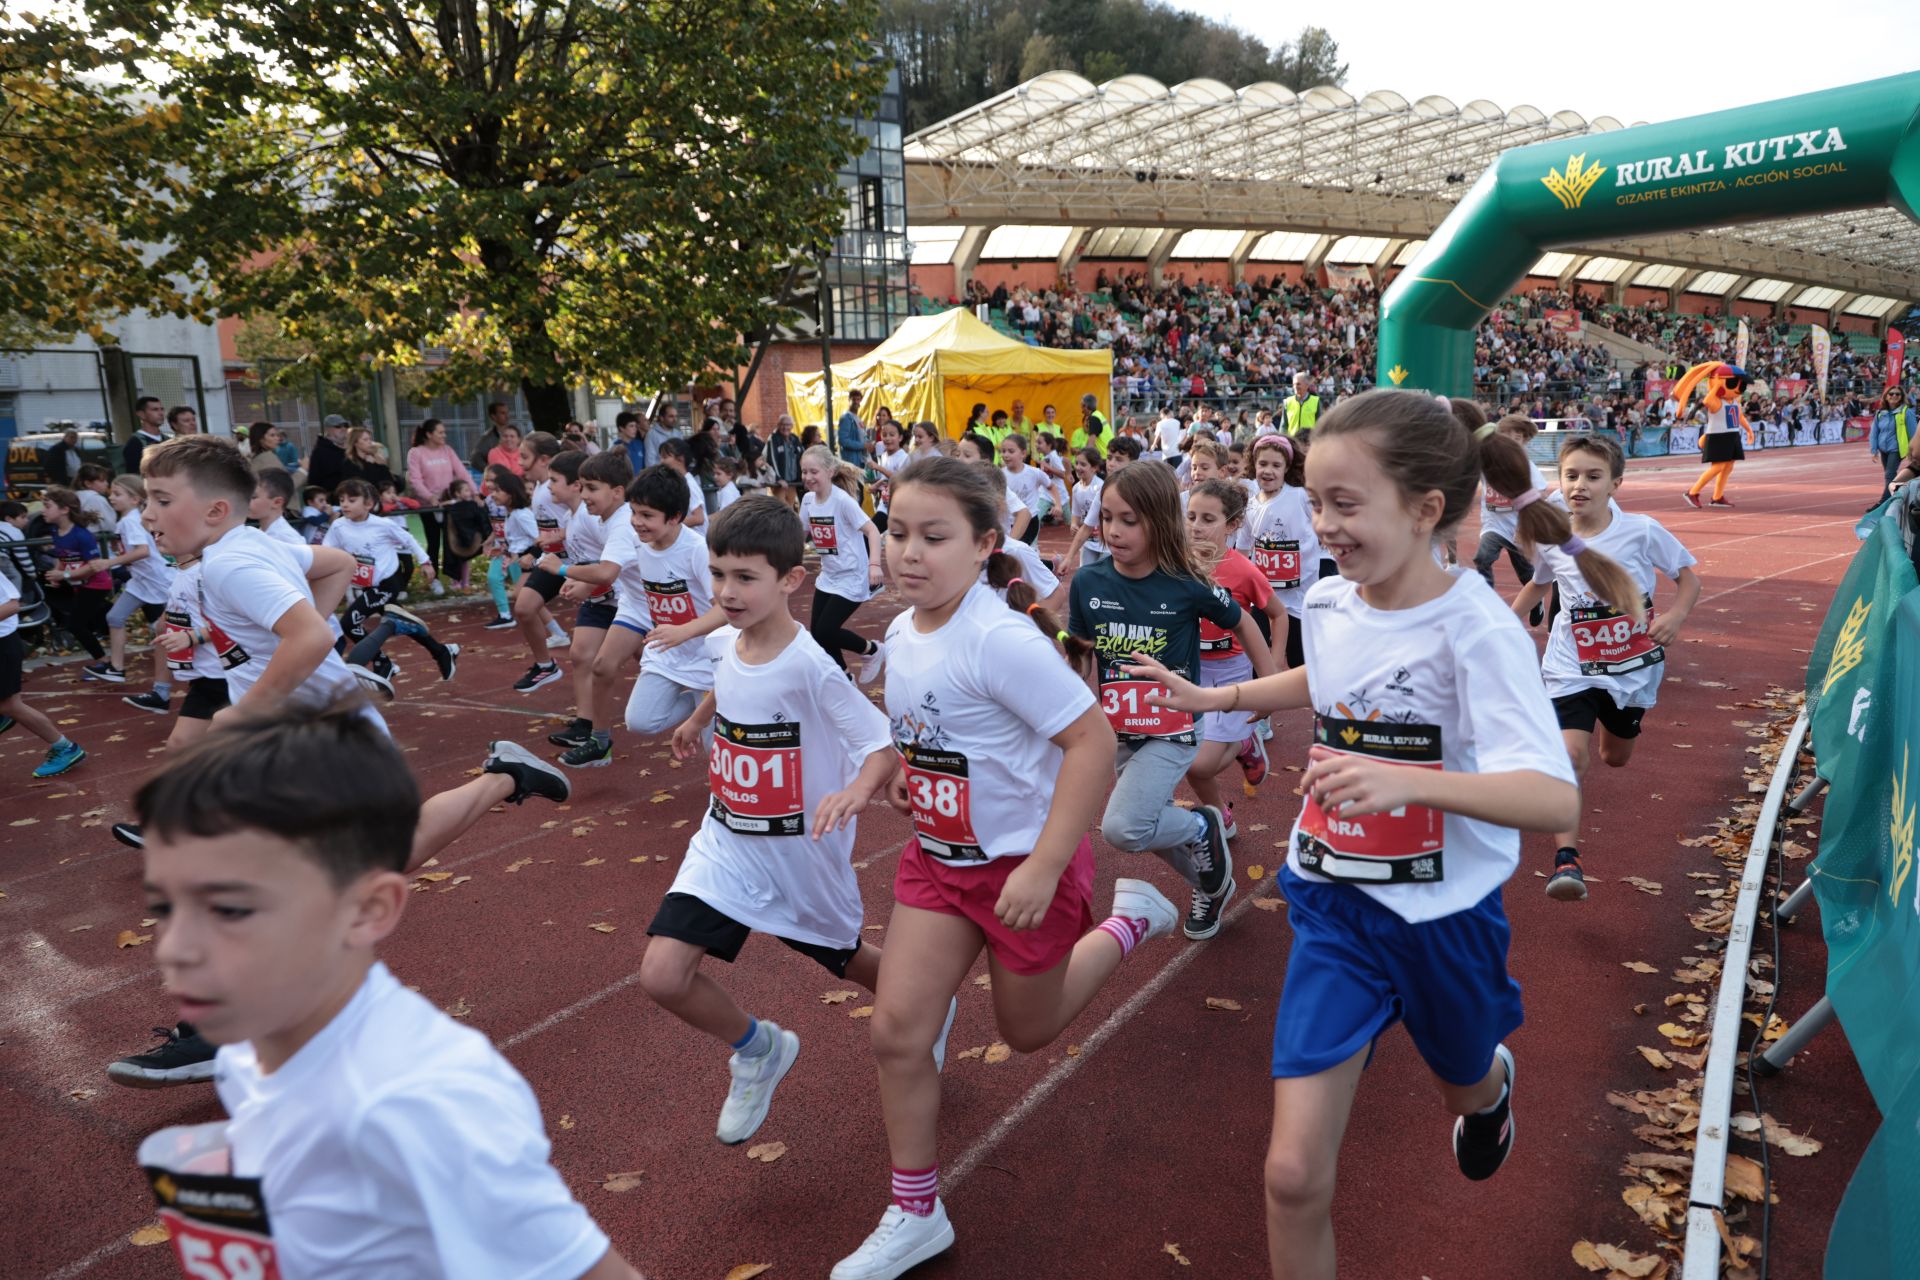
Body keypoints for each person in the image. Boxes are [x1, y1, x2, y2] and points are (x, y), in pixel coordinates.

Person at [1124, 388, 1628, 1280]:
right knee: (1289, 1174)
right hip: (1334, 907)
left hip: (1445, 922)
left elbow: (1554, 799)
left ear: (1427, 509)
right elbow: (1329, 677)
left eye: (1345, 504)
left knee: (1461, 1080)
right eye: (1316, 502)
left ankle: (1491, 1091)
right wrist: (1222, 697)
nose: (1323, 524)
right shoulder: (1329, 601)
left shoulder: (1477, 628)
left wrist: (1403, 780)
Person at [130, 706, 641, 1279]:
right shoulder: (253, 1052)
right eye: (169, 906)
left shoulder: (425, 1098)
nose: (178, 949)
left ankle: (504, 777)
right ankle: (505, 776)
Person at [832, 456, 1179, 1280]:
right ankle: (915, 1212)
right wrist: (917, 782)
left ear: (987, 542)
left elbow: (1091, 743)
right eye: (898, 531)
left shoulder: (999, 638)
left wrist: (1047, 863)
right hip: (940, 865)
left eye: (934, 537)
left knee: (1027, 1032)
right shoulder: (906, 630)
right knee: (897, 1033)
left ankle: (1131, 919)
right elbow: (945, 735)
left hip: (1026, 869)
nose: (908, 552)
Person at [641, 495, 923, 1147]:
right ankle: (758, 1047)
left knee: (851, 962)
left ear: (791, 579)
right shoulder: (725, 639)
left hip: (798, 856)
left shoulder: (811, 666)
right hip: (725, 843)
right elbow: (729, 676)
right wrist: (696, 718)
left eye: (744, 577)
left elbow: (881, 745)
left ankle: (922, 1013)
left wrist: (856, 791)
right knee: (662, 973)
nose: (726, 591)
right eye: (717, 574)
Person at [1068, 460, 1260, 940]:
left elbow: (1244, 621)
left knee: (1124, 828)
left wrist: (1268, 685)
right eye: (1107, 517)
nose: (1113, 531)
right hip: (1118, 732)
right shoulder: (1089, 583)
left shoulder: (1185, 583)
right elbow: (1081, 655)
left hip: (1174, 730)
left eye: (1129, 520)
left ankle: (1200, 828)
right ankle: (1211, 883)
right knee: (1143, 824)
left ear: (1158, 520)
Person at [1509, 434, 1699, 900]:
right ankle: (1566, 861)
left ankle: (1611, 730)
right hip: (1570, 665)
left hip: (1631, 669)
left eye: (1593, 477)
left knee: (1615, 757)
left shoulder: (1642, 530)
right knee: (1571, 755)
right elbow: (1538, 587)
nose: (1580, 485)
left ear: (1615, 482)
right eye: (1571, 475)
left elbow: (1688, 578)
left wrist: (1674, 616)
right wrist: (1499, 627)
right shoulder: (1554, 537)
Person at [1182, 477, 1283, 888]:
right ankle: (1219, 813)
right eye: (1190, 516)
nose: (1196, 526)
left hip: (1230, 674)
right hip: (1188, 670)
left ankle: (1244, 742)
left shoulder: (1242, 569)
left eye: (1208, 519)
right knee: (1184, 755)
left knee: (1201, 761)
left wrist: (1273, 667)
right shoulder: (1176, 562)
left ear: (1233, 525)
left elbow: (1277, 614)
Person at [537, 450, 633, 767]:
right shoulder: (591, 517)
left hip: (631, 601)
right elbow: (601, 565)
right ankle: (592, 732)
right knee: (588, 658)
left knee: (659, 666)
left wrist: (566, 572)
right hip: (617, 601)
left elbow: (608, 568)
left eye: (591, 487)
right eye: (584, 486)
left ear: (617, 492)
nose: (584, 493)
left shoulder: (618, 522)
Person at [619, 464, 722, 743]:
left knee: (715, 753)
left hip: (706, 656)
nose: (636, 521)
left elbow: (726, 608)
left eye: (647, 515)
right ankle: (694, 703)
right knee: (639, 721)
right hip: (666, 653)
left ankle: (706, 704)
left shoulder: (697, 551)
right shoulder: (638, 543)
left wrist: (686, 630)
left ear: (675, 517)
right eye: (633, 512)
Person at [324, 479, 458, 691]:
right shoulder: (339, 526)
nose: (345, 505)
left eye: (351, 500)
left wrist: (425, 562)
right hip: (367, 586)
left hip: (387, 584)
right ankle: (441, 651)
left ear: (368, 504)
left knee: (349, 623)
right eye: (341, 500)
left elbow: (409, 539)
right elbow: (327, 550)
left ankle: (382, 661)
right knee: (407, 624)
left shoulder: (383, 525)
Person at [799, 444, 885, 679]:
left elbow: (873, 531)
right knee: (818, 634)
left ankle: (872, 650)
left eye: (813, 471)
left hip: (852, 575)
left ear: (830, 471)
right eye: (804, 472)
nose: (807, 477)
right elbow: (800, 533)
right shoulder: (807, 501)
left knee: (826, 630)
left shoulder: (842, 501)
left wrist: (874, 565)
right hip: (828, 575)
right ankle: (845, 677)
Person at [85, 475, 175, 691]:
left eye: (117, 494)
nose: (111, 498)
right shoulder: (128, 519)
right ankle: (116, 668)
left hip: (158, 580)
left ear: (135, 499)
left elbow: (142, 551)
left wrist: (110, 562)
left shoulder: (131, 520)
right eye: (111, 493)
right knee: (115, 616)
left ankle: (190, 666)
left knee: (168, 626)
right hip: (142, 581)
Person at [508, 444, 586, 692]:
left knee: (604, 651)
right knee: (524, 605)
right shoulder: (544, 491)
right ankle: (545, 665)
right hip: (555, 560)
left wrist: (551, 541)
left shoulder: (564, 494)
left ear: (543, 459)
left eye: (524, 456)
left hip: (577, 562)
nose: (520, 462)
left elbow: (583, 522)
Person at [0, 566, 88, 777]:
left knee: (11, 704)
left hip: (2, 645)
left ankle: (65, 747)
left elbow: (12, 605)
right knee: (7, 704)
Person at [1244, 434, 1316, 669]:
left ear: (1287, 468)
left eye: (1276, 465)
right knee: (1258, 654)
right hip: (1263, 595)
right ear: (1254, 465)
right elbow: (1244, 548)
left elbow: (1325, 519)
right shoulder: (1250, 503)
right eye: (1262, 464)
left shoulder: (1300, 497)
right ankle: (1261, 700)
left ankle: (1306, 699)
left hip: (1298, 595)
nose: (1268, 471)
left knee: (1298, 658)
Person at [1472, 416, 1548, 619]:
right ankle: (1486, 600)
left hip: (1517, 529)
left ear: (1524, 442)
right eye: (1507, 437)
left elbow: (1541, 492)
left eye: (1518, 438)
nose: (1512, 442)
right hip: (1493, 526)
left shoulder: (1526, 466)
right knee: (1482, 558)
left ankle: (1535, 599)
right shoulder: (1486, 462)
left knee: (1526, 573)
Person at [39, 485, 114, 666]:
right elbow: (62, 555)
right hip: (79, 583)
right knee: (94, 617)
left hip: (97, 584)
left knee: (76, 624)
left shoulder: (82, 535)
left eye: (48, 506)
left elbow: (93, 566)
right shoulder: (56, 531)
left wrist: (63, 575)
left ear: (64, 510)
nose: (43, 511)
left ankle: (103, 661)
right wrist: (56, 574)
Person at [406, 418, 466, 584]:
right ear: (429, 434)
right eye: (440, 432)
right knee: (433, 541)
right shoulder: (416, 453)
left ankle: (456, 578)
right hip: (429, 505)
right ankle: (433, 580)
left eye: (444, 432)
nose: (444, 435)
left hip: (448, 502)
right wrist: (429, 496)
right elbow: (415, 480)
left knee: (453, 540)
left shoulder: (447, 450)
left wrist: (473, 493)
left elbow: (461, 472)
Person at [483, 466, 536, 630]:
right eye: (487, 480)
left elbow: (538, 538)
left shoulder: (520, 513)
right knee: (495, 578)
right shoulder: (499, 506)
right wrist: (493, 541)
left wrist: (531, 554)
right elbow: (499, 527)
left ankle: (554, 631)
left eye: (494, 482)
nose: (490, 486)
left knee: (524, 596)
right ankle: (505, 615)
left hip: (521, 554)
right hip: (508, 550)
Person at [997, 434, 1048, 546]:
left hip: (1030, 520)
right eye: (1003, 451)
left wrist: (1058, 504)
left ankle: (1047, 563)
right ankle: (1050, 564)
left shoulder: (1034, 472)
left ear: (1023, 453)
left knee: (1023, 551)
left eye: (1011, 451)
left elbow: (1051, 486)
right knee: (1015, 554)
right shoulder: (1000, 474)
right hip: (1009, 521)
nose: (1005, 455)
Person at [1869, 386, 1913, 506]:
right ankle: (1898, 498)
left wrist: (1913, 451)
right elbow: (1874, 432)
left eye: (1897, 394)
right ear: (1886, 396)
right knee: (1890, 475)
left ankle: (1884, 502)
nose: (1894, 396)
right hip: (1884, 449)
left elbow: (1913, 433)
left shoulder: (1906, 412)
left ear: (1901, 397)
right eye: (1891, 394)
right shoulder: (1880, 413)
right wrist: (1874, 450)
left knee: (1890, 474)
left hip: (1897, 449)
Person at [657, 437, 708, 532]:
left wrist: (670, 526)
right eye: (661, 457)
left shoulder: (689, 484)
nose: (661, 462)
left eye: (665, 457)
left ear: (680, 459)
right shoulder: (681, 482)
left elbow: (698, 518)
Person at [306, 414, 353, 496]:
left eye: (345, 425)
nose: (343, 429)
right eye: (338, 426)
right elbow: (314, 480)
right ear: (328, 429)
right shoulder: (320, 451)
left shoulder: (352, 447)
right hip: (332, 500)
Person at [123, 396, 168, 475]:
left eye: (162, 409)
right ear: (141, 414)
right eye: (155, 410)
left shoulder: (168, 440)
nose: (161, 413)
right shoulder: (135, 443)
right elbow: (134, 474)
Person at [765, 413, 803, 506]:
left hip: (792, 482)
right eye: (783, 424)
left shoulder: (794, 438)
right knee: (780, 508)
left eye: (788, 425)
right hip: (780, 484)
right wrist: (778, 479)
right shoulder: (773, 438)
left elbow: (802, 456)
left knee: (790, 508)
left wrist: (801, 476)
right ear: (778, 425)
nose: (785, 427)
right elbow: (772, 460)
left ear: (792, 426)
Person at [468, 398, 513, 472]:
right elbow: (475, 459)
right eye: (503, 413)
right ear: (493, 416)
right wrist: (490, 471)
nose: (507, 416)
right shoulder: (487, 438)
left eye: (507, 413)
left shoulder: (515, 433)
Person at [838, 389, 870, 464]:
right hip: (852, 461)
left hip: (861, 460)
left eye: (858, 399)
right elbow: (843, 441)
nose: (856, 402)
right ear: (849, 400)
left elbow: (861, 437)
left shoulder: (858, 419)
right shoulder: (846, 418)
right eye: (853, 399)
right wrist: (863, 445)